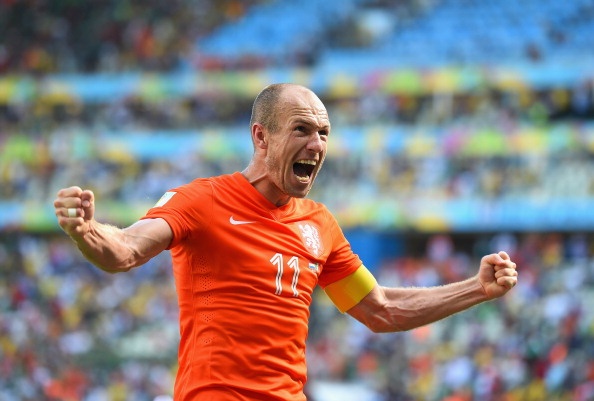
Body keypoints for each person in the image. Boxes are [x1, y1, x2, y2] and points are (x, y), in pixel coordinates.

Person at [54, 83, 518, 401]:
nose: (317, 144)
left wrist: (476, 288)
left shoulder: (320, 224)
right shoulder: (202, 200)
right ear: (261, 137)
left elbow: (380, 310)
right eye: (302, 129)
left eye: (324, 133)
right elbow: (126, 250)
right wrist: (87, 230)